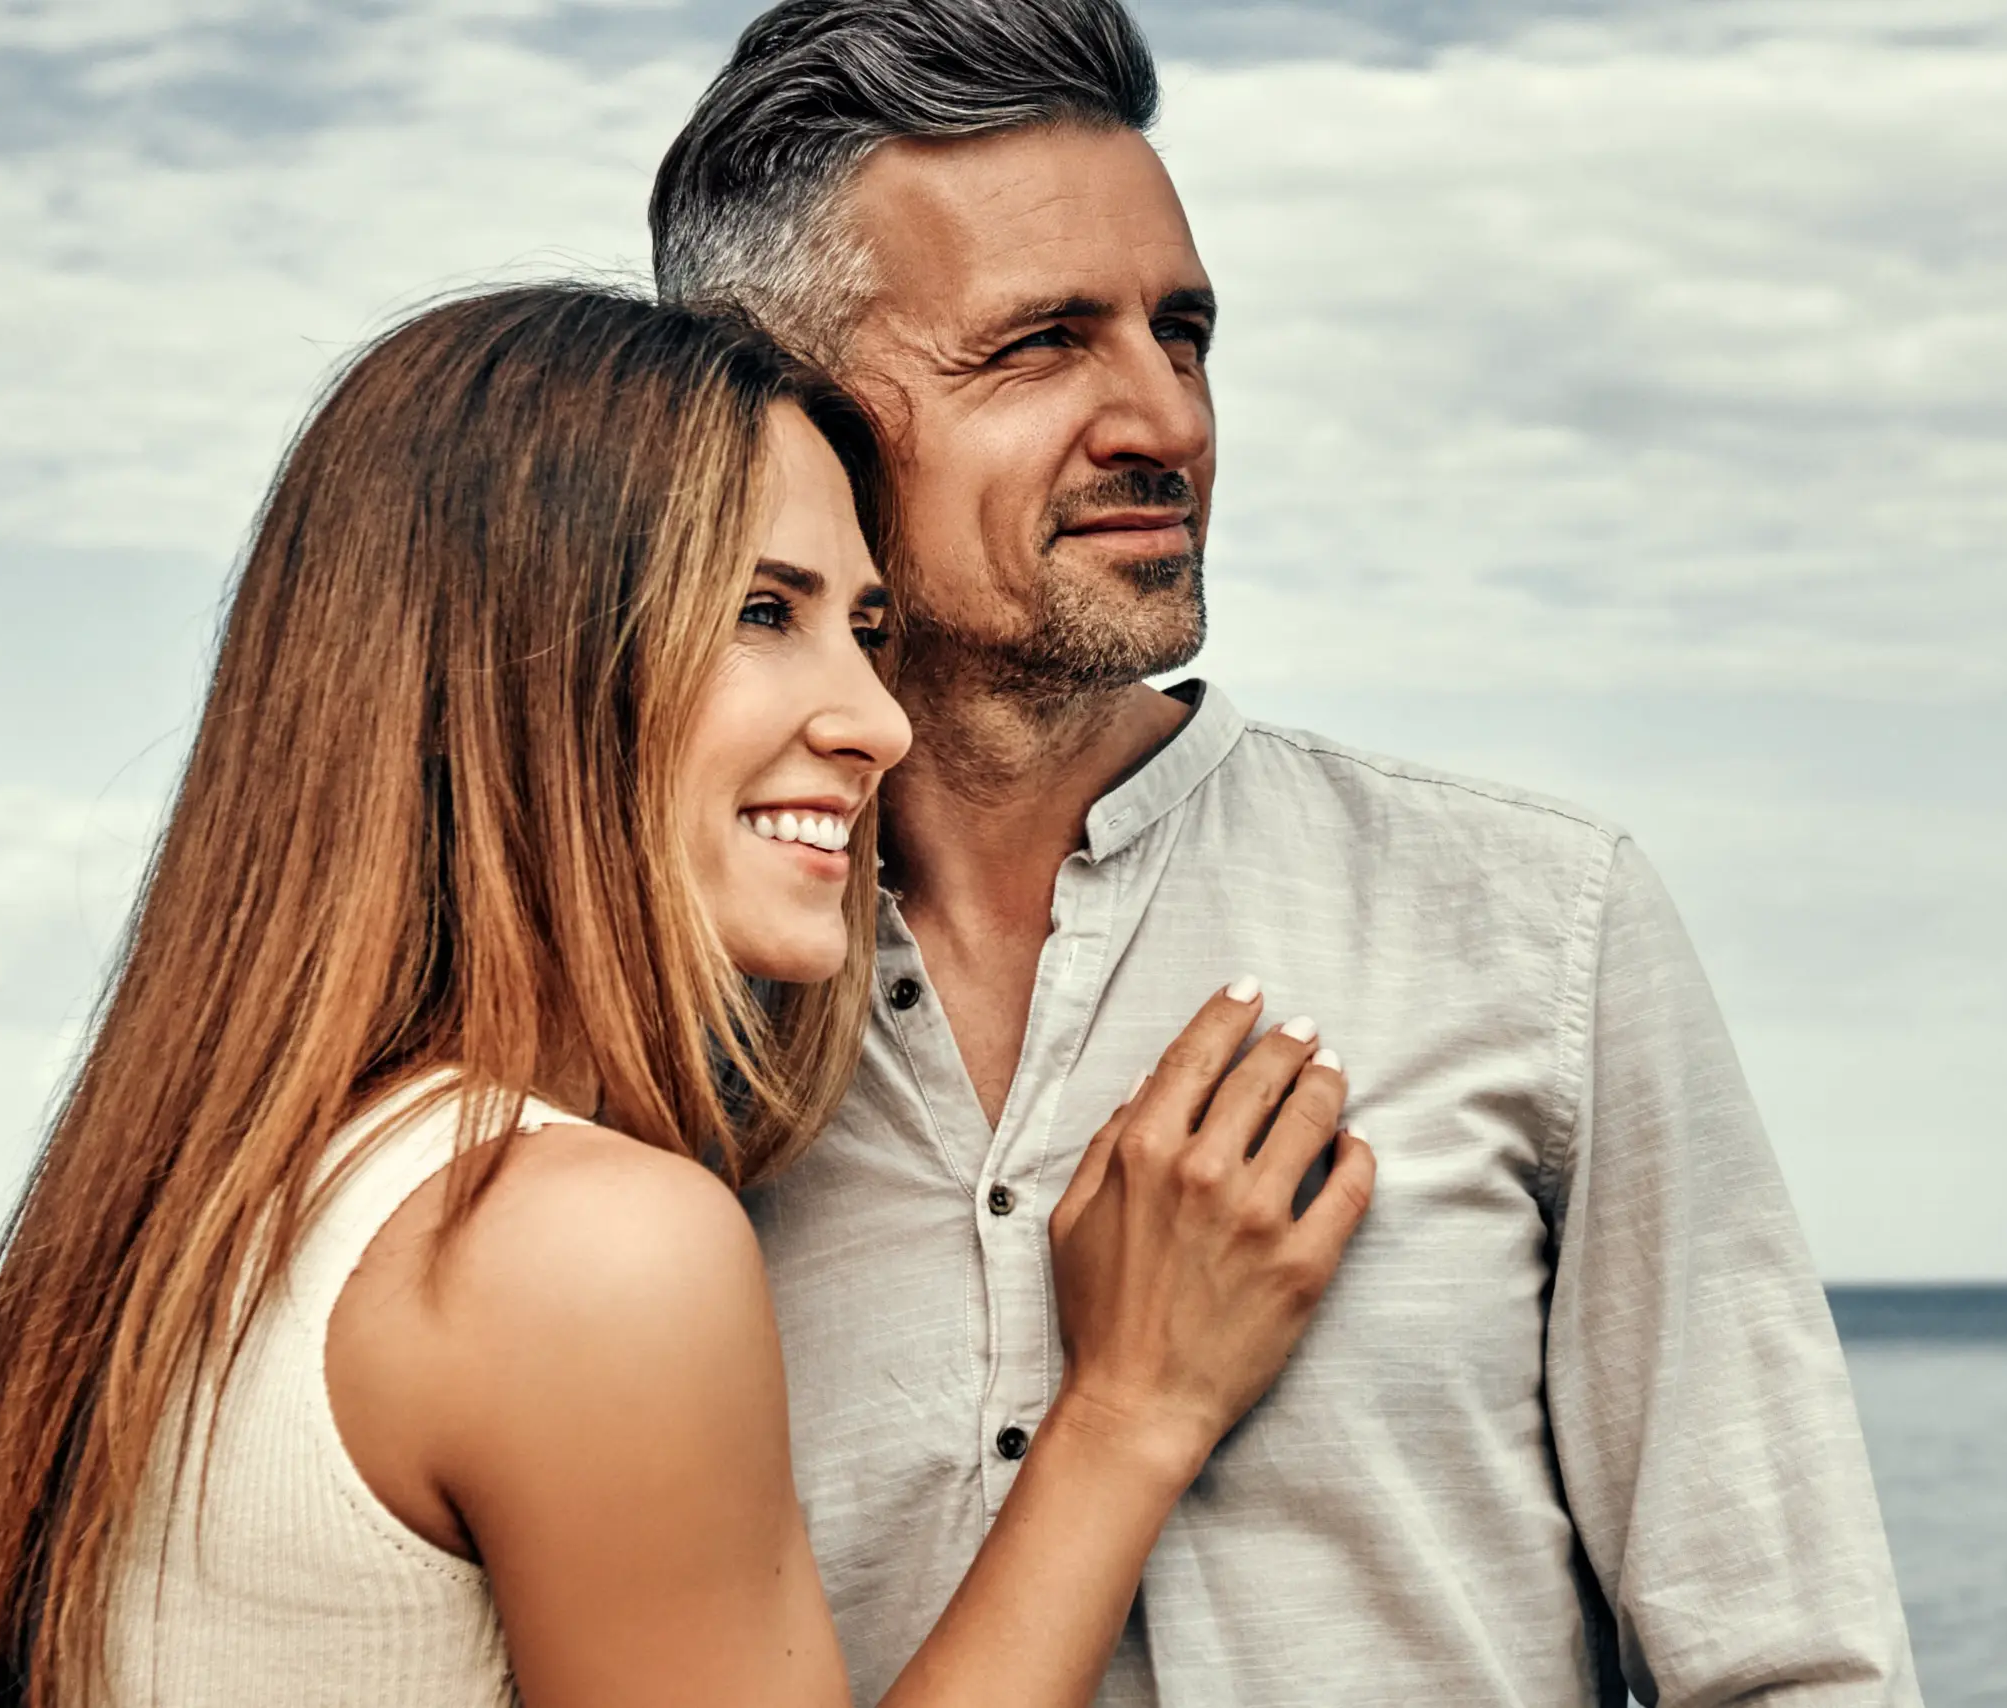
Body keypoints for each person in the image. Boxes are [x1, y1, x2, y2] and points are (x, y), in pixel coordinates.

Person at [651, 3, 1923, 1704]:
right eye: (1039, 346)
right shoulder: (636, 1028)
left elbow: (1791, 1659)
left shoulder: (1538, 923)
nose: (1162, 422)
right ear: (786, 415)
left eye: (1181, 333)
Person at [0, 286, 1376, 1708]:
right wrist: (1132, 1412)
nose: (877, 722)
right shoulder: (571, 1245)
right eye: (759, 610)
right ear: (503, 661)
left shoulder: (190, 1220)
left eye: (865, 629)